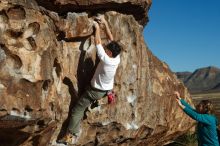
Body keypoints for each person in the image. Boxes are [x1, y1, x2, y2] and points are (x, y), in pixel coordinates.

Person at [58, 15, 122, 145]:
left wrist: (97, 28)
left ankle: (71, 136)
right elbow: (111, 39)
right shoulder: (116, 57)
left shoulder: (106, 59)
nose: (105, 47)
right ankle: (94, 102)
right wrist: (105, 23)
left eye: (107, 49)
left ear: (109, 53)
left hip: (96, 91)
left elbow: (98, 42)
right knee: (88, 94)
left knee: (77, 110)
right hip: (105, 89)